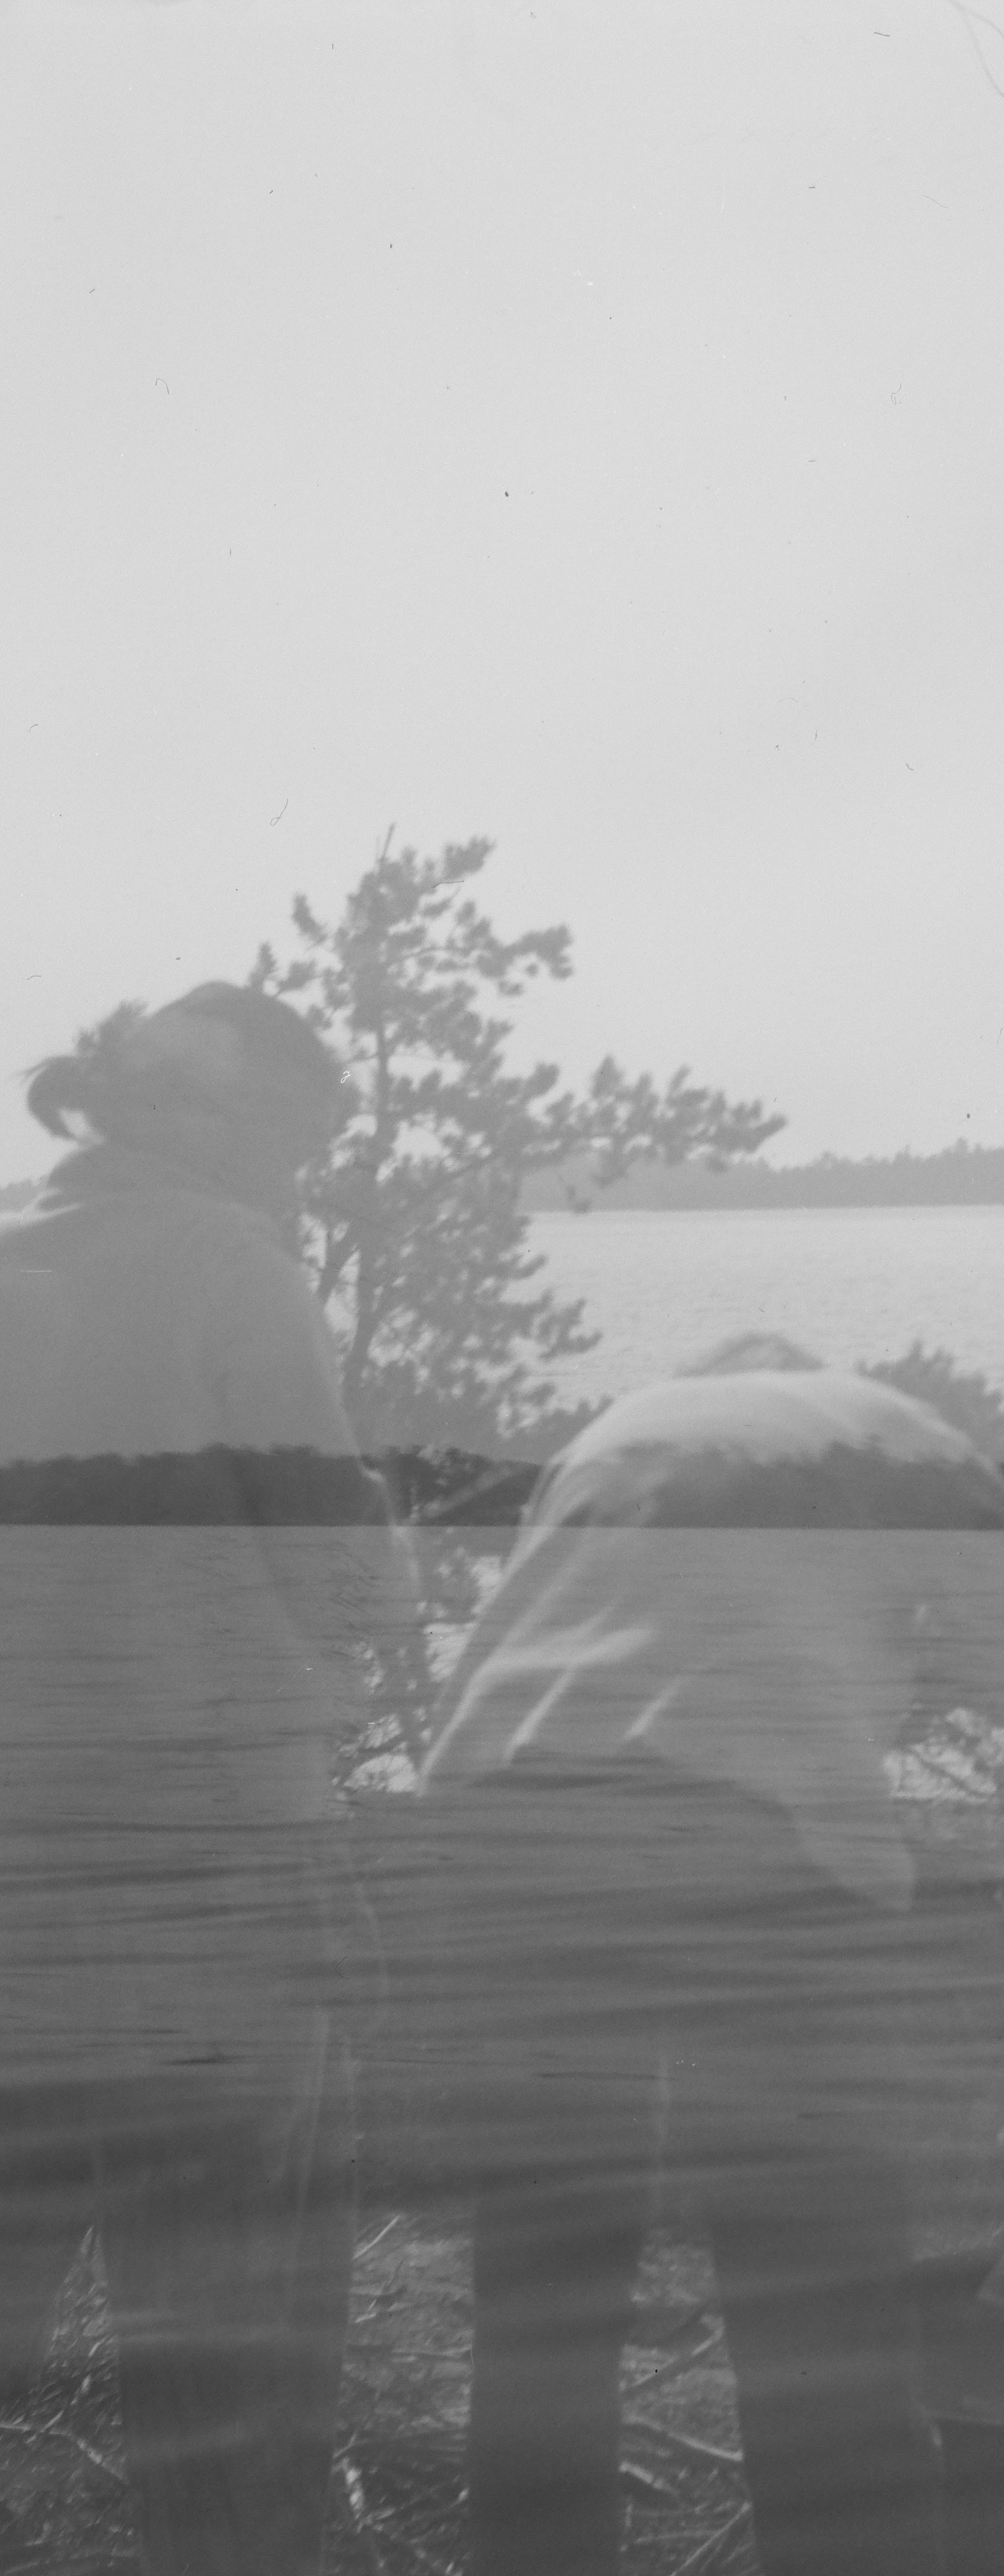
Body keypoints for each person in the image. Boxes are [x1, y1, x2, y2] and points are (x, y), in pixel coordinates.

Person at [413, 1335, 1004, 2576]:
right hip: (750, 1860)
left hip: (510, 1838)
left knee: (545, 2317)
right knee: (818, 2325)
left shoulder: (613, 1439)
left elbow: (600, 1654)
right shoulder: (892, 1438)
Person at [0, 983, 405, 2575]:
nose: (300, 1173)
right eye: (290, 1137)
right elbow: (337, 1571)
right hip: (208, 1862)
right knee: (231, 2328)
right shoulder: (228, 1263)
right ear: (200, 1121)